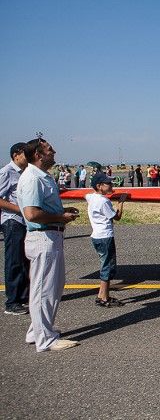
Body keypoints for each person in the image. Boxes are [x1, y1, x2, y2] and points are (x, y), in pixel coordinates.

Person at [17, 137, 80, 351]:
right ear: (38, 154)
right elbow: (32, 213)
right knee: (44, 290)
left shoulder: (42, 177)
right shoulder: (33, 178)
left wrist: (61, 215)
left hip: (51, 237)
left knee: (53, 287)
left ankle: (37, 332)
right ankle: (45, 340)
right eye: (49, 149)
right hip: (43, 237)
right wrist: (61, 217)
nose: (54, 152)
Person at [85, 172, 127, 307]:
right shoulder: (104, 201)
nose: (111, 185)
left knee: (105, 264)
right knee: (108, 267)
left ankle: (102, 294)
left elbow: (86, 195)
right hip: (105, 237)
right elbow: (117, 217)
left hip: (96, 236)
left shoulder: (91, 197)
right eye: (108, 183)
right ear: (99, 186)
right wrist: (121, 202)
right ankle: (103, 297)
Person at [0, 142, 30, 315]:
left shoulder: (26, 172)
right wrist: (20, 209)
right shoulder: (6, 172)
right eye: (26, 154)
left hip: (24, 221)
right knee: (14, 261)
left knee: (25, 260)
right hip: (13, 221)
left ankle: (22, 296)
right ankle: (12, 302)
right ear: (16, 155)